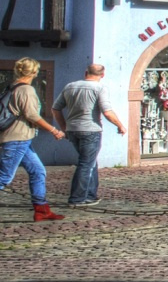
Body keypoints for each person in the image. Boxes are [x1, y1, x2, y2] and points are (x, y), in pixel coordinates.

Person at [0, 58, 66, 221]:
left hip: (20, 138)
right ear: (34, 72)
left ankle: (41, 210)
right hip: (17, 138)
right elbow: (32, 115)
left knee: (38, 171)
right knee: (4, 177)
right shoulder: (26, 90)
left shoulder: (12, 87)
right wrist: (54, 130)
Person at [52, 62, 127, 206]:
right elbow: (107, 111)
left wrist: (64, 127)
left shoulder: (70, 86)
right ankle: (77, 198)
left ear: (86, 73)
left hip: (73, 130)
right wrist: (120, 125)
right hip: (90, 130)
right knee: (86, 164)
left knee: (90, 161)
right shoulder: (100, 88)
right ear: (102, 75)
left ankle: (91, 195)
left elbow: (55, 109)